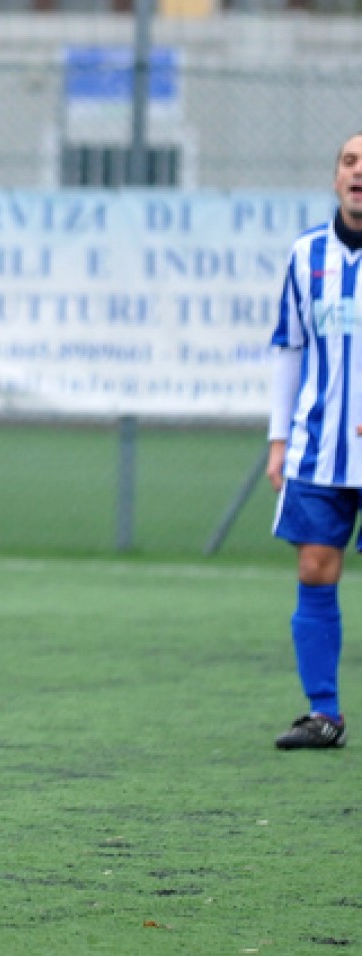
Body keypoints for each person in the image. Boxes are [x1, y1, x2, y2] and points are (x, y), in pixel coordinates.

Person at [266, 130, 362, 750]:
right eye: (351, 161)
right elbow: (289, 347)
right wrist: (279, 439)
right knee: (315, 566)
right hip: (318, 446)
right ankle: (323, 712)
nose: (360, 172)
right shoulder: (306, 256)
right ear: (335, 178)